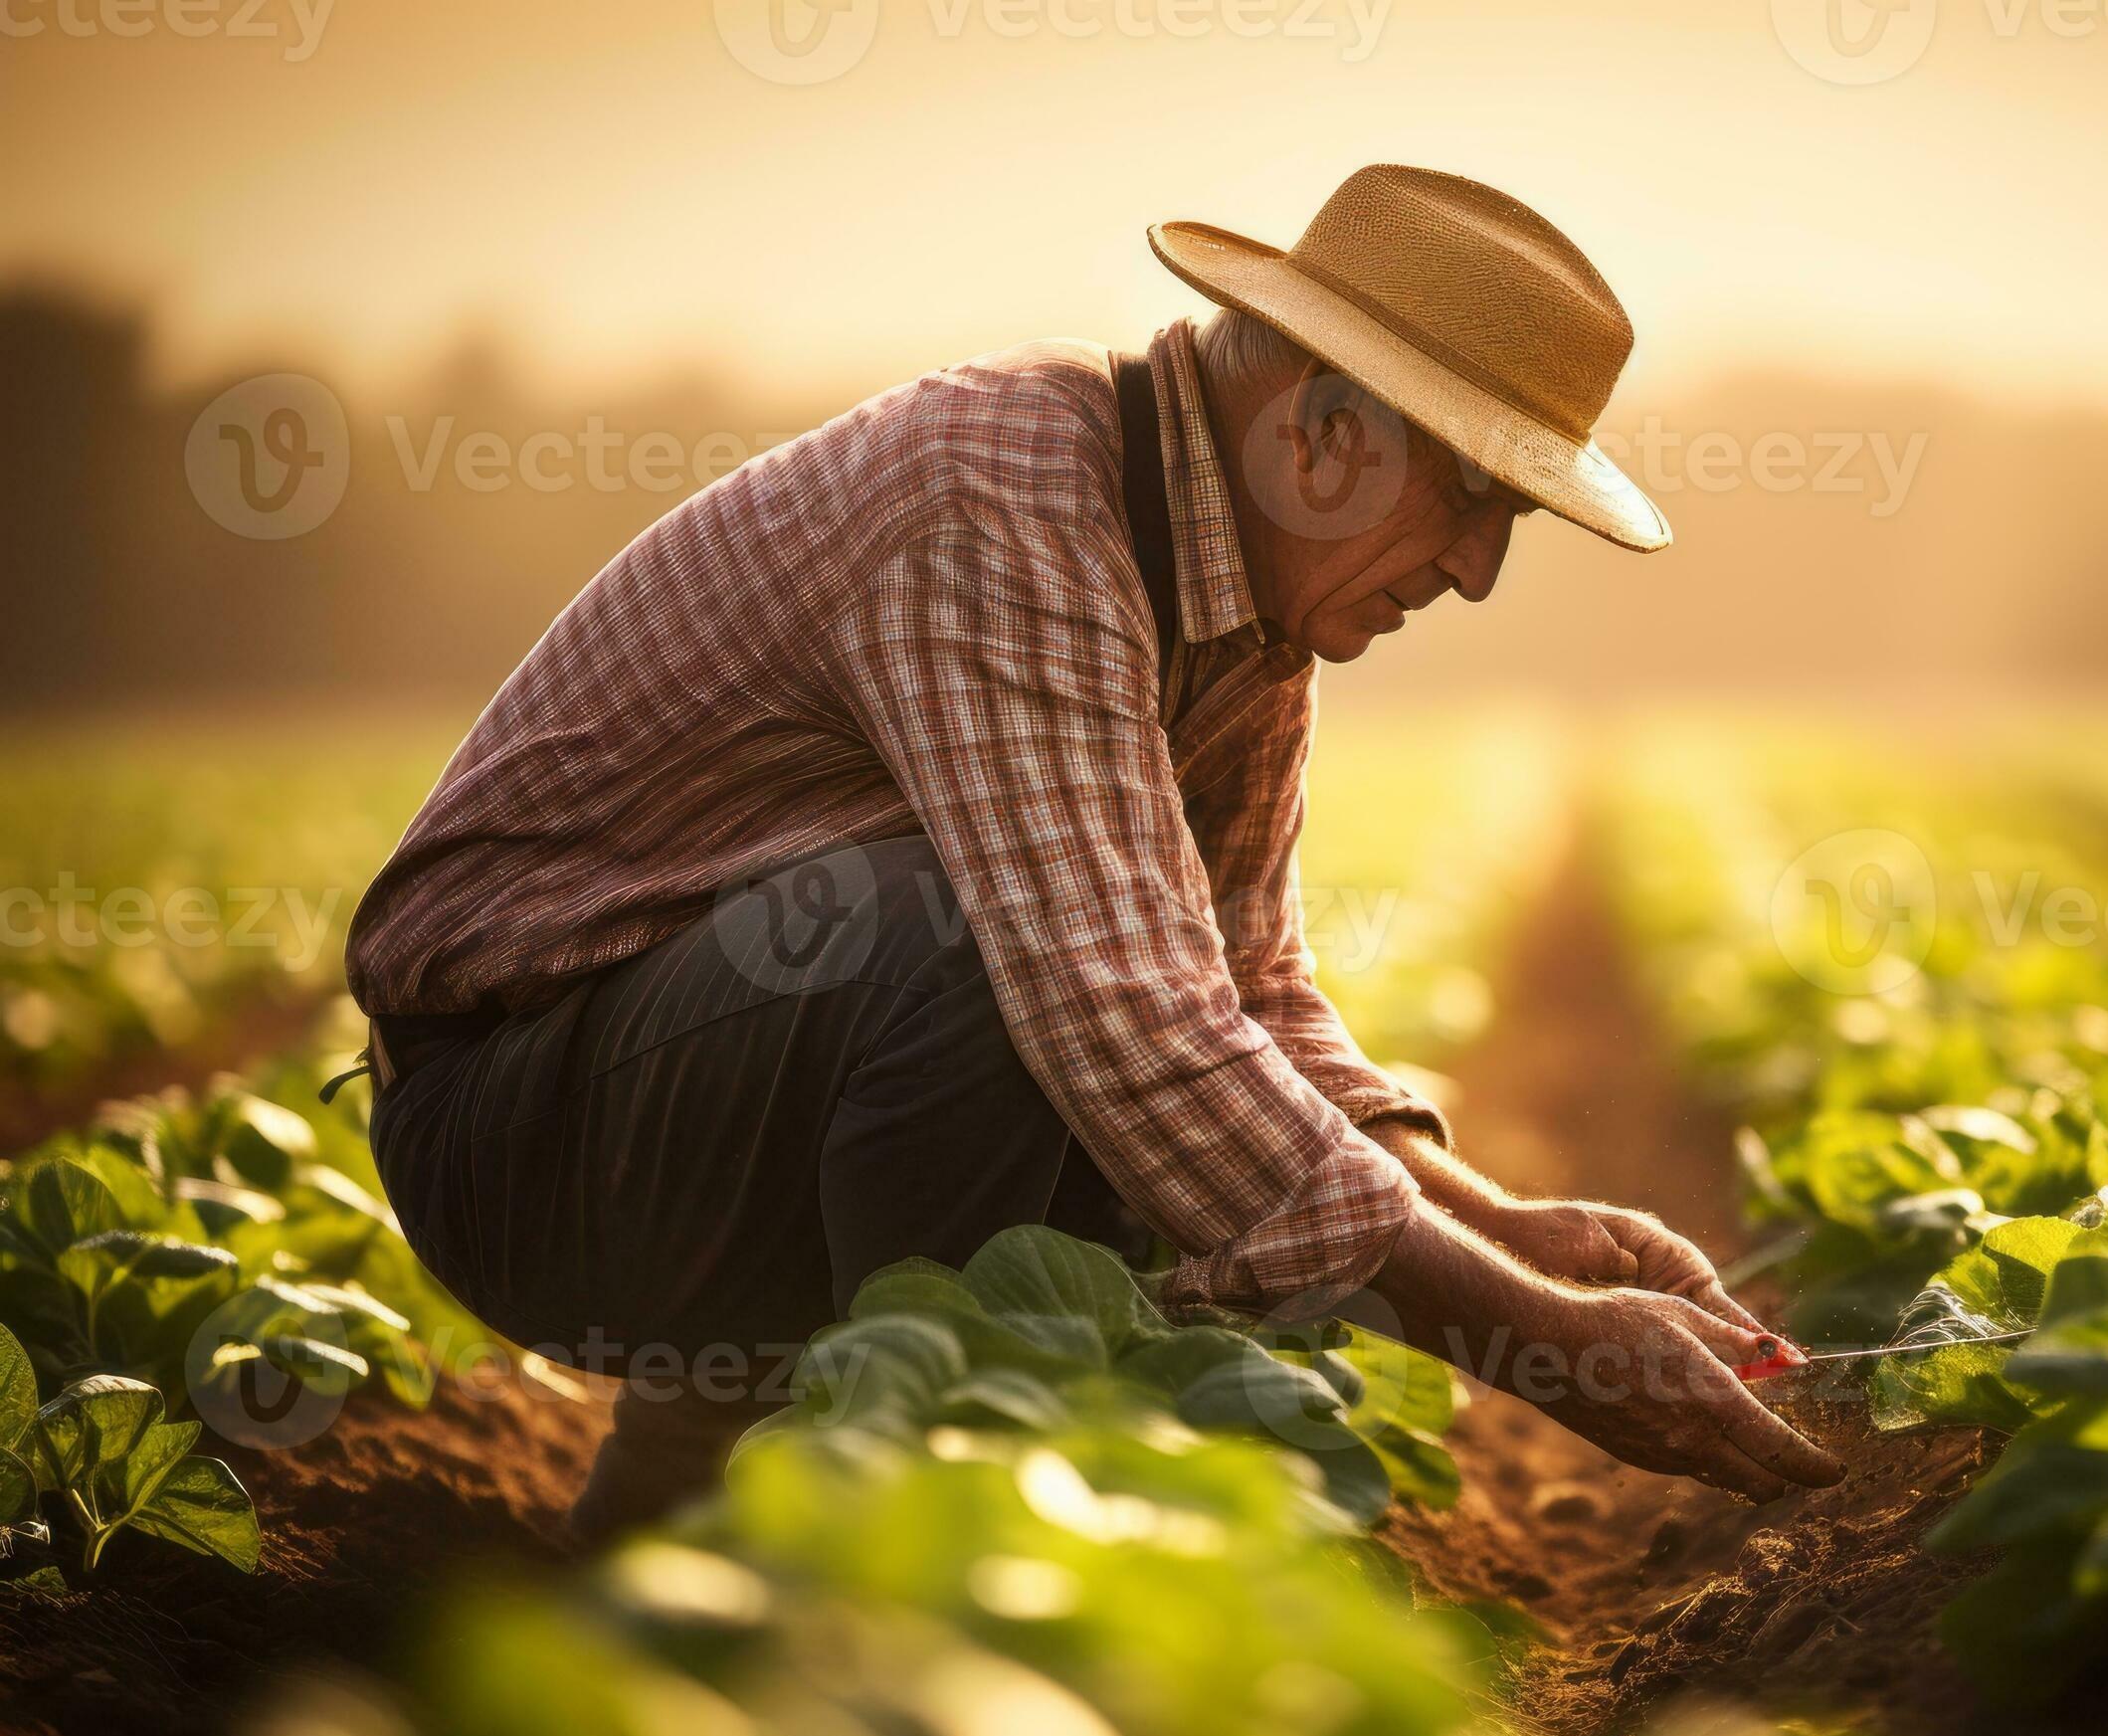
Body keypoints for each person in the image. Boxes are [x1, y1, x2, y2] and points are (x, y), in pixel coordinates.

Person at [344, 164, 1841, 1540]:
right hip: (518, 1133)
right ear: (1322, 434)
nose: (1477, 571)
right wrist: (1538, 1345)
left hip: (683, 1098)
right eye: (1472, 501)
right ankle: (903, 1516)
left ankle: (681, 1527)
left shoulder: (1245, 624)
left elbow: (1245, 987)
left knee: (1117, 1091)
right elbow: (1131, 1023)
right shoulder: (998, 496)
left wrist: (1501, 1230)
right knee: (989, 966)